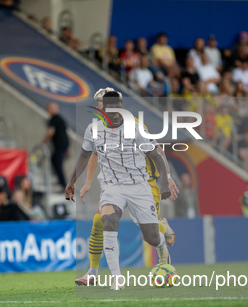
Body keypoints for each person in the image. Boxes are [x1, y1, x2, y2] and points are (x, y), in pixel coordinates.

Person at [65, 91, 174, 290]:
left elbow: (156, 154)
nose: (117, 114)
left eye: (119, 109)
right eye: (112, 110)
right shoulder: (93, 130)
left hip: (139, 186)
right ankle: (117, 278)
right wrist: (73, 181)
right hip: (111, 186)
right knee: (107, 219)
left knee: (149, 236)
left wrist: (165, 182)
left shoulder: (134, 127)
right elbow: (84, 155)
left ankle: (161, 241)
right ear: (102, 111)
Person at [42, 102, 69, 189]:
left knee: (57, 162)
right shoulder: (60, 119)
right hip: (62, 144)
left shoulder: (54, 118)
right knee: (54, 160)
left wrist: (43, 142)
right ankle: (59, 181)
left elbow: (51, 131)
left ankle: (63, 184)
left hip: (60, 144)